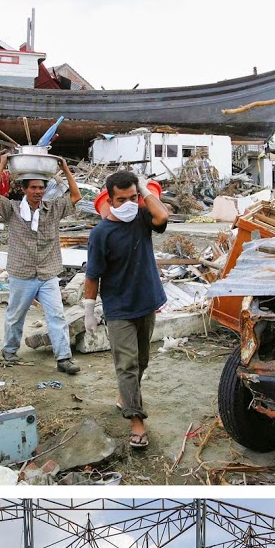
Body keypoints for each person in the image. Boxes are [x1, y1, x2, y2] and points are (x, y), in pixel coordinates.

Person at [84, 170, 169, 449]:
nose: (129, 203)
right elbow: (93, 275)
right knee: (127, 365)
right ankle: (136, 421)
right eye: (122, 199)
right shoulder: (101, 234)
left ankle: (125, 396)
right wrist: (89, 310)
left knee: (141, 361)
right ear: (110, 200)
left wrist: (144, 189)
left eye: (133, 197)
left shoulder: (142, 219)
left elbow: (163, 217)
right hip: (119, 308)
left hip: (147, 301)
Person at [0, 154, 82, 374]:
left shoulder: (53, 209)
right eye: (33, 188)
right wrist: (2, 164)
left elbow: (76, 196)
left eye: (41, 187)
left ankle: (64, 358)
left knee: (57, 316)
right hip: (22, 273)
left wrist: (66, 167)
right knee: (15, 316)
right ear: (24, 190)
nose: (37, 191)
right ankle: (9, 351)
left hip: (48, 273)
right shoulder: (12, 210)